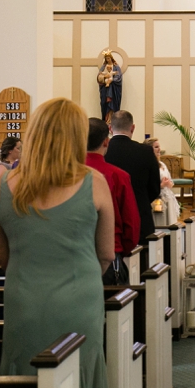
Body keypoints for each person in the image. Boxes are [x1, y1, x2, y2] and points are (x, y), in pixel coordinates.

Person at [0, 98, 114, 388]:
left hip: (24, 300)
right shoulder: (94, 182)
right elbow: (106, 254)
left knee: (25, 377)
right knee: (80, 376)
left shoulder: (3, 184)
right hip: (79, 301)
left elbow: (1, 255)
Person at [87, 118, 140, 285]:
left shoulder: (65, 175)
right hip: (110, 257)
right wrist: (121, 249)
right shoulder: (118, 176)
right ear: (106, 141)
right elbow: (131, 224)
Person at [105, 110, 160, 241]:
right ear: (132, 127)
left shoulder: (104, 151)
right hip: (140, 216)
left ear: (110, 129)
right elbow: (155, 188)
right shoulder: (146, 151)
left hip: (110, 219)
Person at [145, 137, 180, 226]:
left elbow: (171, 183)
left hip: (168, 197)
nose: (159, 149)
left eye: (159, 146)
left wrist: (168, 183)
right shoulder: (148, 165)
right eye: (156, 147)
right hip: (158, 199)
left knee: (171, 222)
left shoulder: (162, 164)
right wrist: (162, 185)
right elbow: (148, 185)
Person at [97, 50, 123, 122]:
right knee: (104, 104)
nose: (108, 60)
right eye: (106, 58)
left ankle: (112, 120)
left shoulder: (116, 67)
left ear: (111, 58)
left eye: (109, 58)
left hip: (114, 91)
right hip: (105, 90)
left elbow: (119, 76)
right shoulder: (103, 67)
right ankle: (106, 119)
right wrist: (105, 77)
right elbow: (99, 76)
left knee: (113, 104)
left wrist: (112, 80)